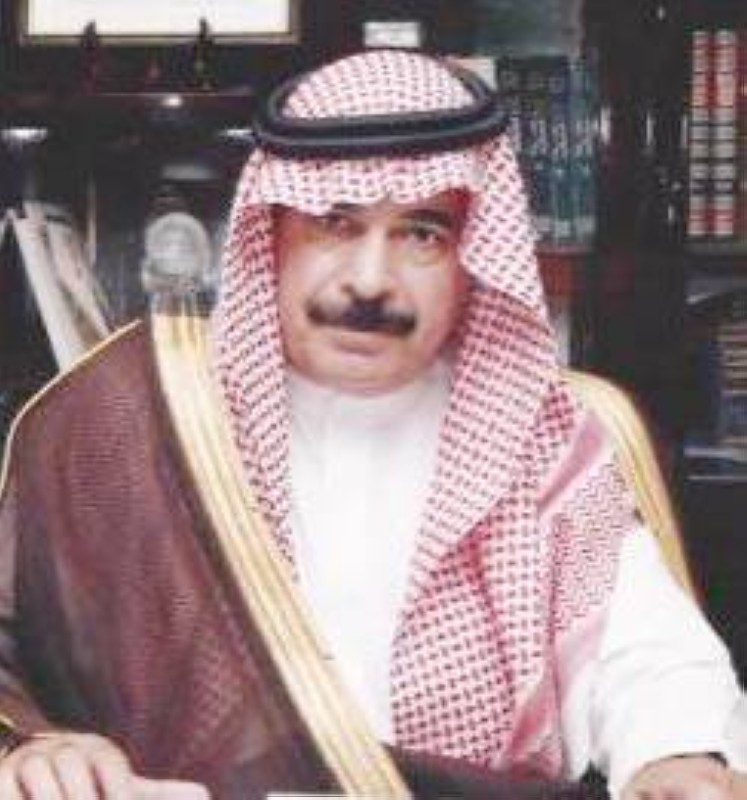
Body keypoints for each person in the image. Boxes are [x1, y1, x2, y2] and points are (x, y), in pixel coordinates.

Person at [0, 49, 745, 800]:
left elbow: (642, 650)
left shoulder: (540, 436)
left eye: (422, 234)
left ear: (471, 256)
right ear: (271, 232)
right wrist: (33, 747)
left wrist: (674, 757)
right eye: (334, 222)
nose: (368, 281)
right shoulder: (134, 421)